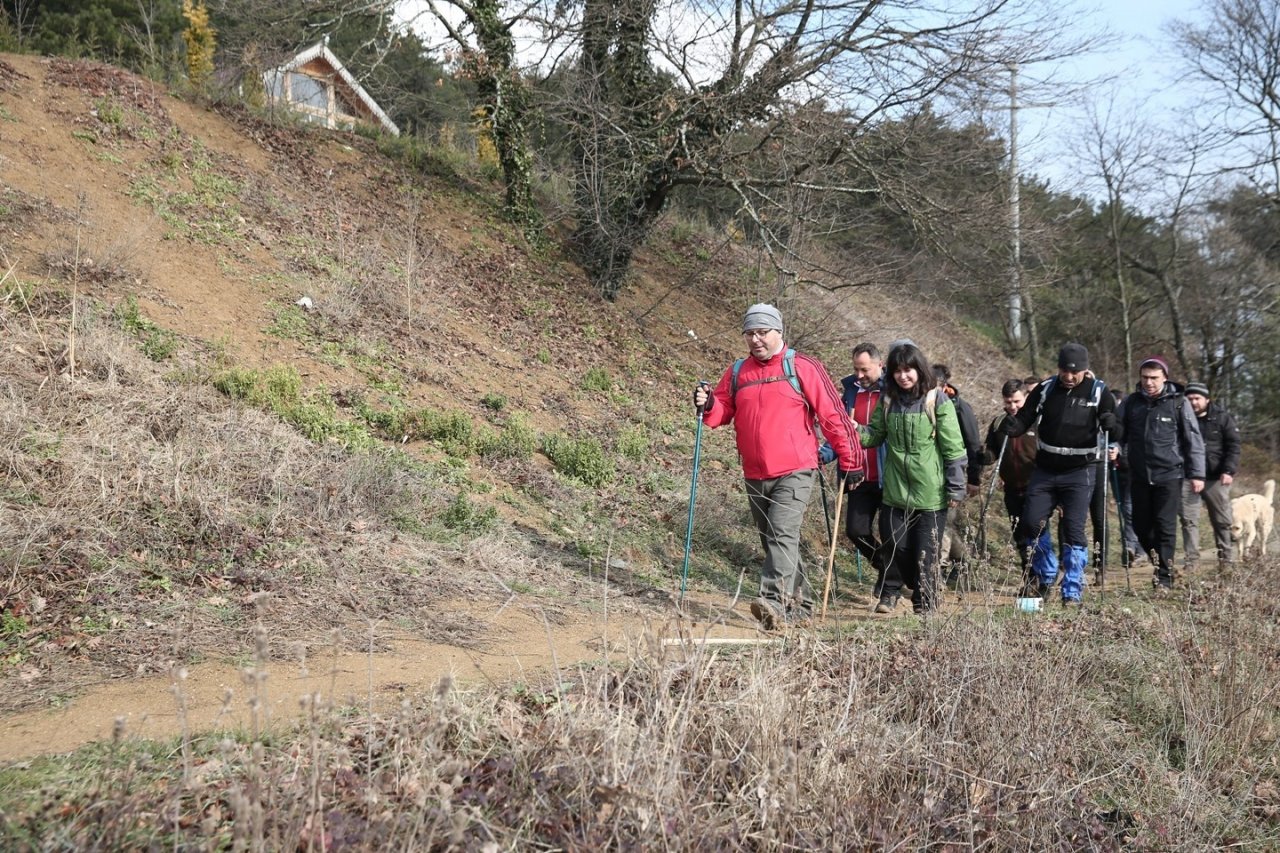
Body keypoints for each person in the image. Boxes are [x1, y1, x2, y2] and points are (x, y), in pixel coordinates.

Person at [692, 304, 866, 630]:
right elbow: (721, 412)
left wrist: (851, 458)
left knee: (781, 534)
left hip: (796, 468)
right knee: (773, 539)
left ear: (778, 332)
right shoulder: (737, 372)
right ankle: (802, 605)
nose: (755, 339)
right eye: (749, 333)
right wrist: (708, 403)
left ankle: (772, 601)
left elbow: (832, 415)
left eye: (762, 332)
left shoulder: (802, 366)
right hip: (755, 472)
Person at [1002, 343, 1117, 606]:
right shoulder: (1045, 389)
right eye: (1064, 370)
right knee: (1031, 522)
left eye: (1074, 372)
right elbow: (1025, 418)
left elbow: (1116, 428)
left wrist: (1111, 422)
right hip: (1046, 469)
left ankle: (1072, 589)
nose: (1068, 376)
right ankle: (1048, 571)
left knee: (1073, 529)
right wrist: (1014, 426)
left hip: (1080, 470)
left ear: (1085, 370)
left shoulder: (1099, 391)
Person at [858, 341, 967, 615]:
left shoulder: (936, 400)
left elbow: (954, 448)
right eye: (897, 371)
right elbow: (873, 435)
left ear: (919, 369)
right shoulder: (888, 401)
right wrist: (851, 430)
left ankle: (925, 607)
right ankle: (902, 591)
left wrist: (956, 488)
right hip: (895, 491)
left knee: (926, 553)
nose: (903, 376)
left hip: (931, 493)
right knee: (895, 545)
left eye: (908, 370)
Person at [1113, 356, 1205, 591]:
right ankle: (1161, 560)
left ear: (1164, 377)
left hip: (1170, 475)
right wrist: (1114, 447)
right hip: (1139, 474)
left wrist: (1197, 474)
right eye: (1145, 377)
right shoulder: (1132, 403)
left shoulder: (1178, 403)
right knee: (1142, 526)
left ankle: (1163, 577)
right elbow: (1118, 432)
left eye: (1154, 378)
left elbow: (1192, 439)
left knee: (1165, 526)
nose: (1149, 382)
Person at [826, 343, 890, 605]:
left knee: (892, 536)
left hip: (889, 475)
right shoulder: (850, 392)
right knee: (856, 530)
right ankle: (885, 566)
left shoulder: (893, 393)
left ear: (880, 365)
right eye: (856, 369)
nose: (859, 375)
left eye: (864, 369)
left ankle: (889, 590)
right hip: (858, 474)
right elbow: (838, 432)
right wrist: (824, 454)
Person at [980, 378, 1056, 588]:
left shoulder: (1038, 421)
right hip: (1011, 487)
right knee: (1020, 536)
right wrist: (983, 456)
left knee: (1037, 532)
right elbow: (992, 451)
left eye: (1016, 402)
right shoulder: (999, 423)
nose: (1012, 407)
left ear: (1026, 399)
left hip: (1038, 487)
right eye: (1008, 402)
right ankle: (1030, 577)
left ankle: (1045, 576)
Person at [1178, 381, 1240, 570]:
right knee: (1189, 520)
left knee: (1222, 520)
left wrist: (1228, 470)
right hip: (1188, 476)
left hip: (1216, 477)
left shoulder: (1223, 418)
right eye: (1189, 399)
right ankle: (1192, 561)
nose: (1193, 402)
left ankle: (1226, 559)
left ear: (1207, 399)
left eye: (1197, 398)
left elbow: (1234, 446)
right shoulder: (1182, 417)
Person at [933, 364, 983, 585]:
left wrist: (973, 478)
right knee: (941, 523)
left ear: (944, 386)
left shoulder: (961, 408)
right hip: (929, 472)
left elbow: (973, 445)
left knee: (944, 523)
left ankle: (939, 572)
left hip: (954, 472)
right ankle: (961, 560)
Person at [1108, 387, 1142, 567]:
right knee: (1124, 508)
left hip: (1134, 469)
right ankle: (1133, 547)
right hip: (1116, 468)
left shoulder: (1136, 415)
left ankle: (1132, 547)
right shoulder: (1111, 418)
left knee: (1130, 509)